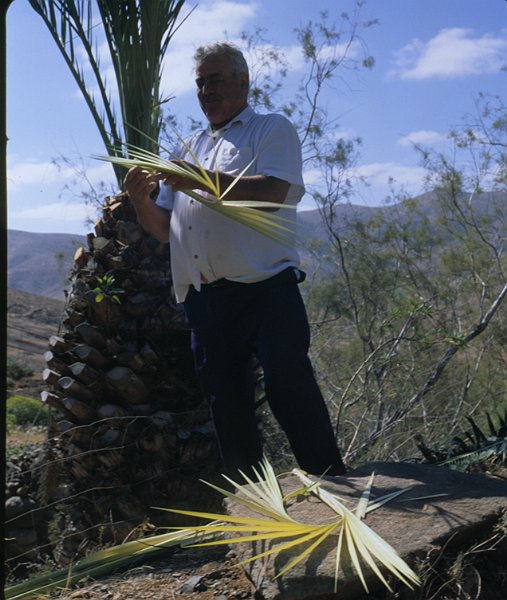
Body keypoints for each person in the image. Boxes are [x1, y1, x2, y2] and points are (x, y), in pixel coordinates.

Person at [124, 42, 346, 478]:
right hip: (205, 297)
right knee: (226, 401)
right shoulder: (188, 147)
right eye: (200, 83)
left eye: (216, 80)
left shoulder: (270, 129)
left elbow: (273, 191)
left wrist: (198, 179)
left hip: (267, 289)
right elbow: (163, 228)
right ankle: (254, 496)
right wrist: (138, 200)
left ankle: (331, 480)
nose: (206, 90)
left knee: (288, 382)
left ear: (243, 82)